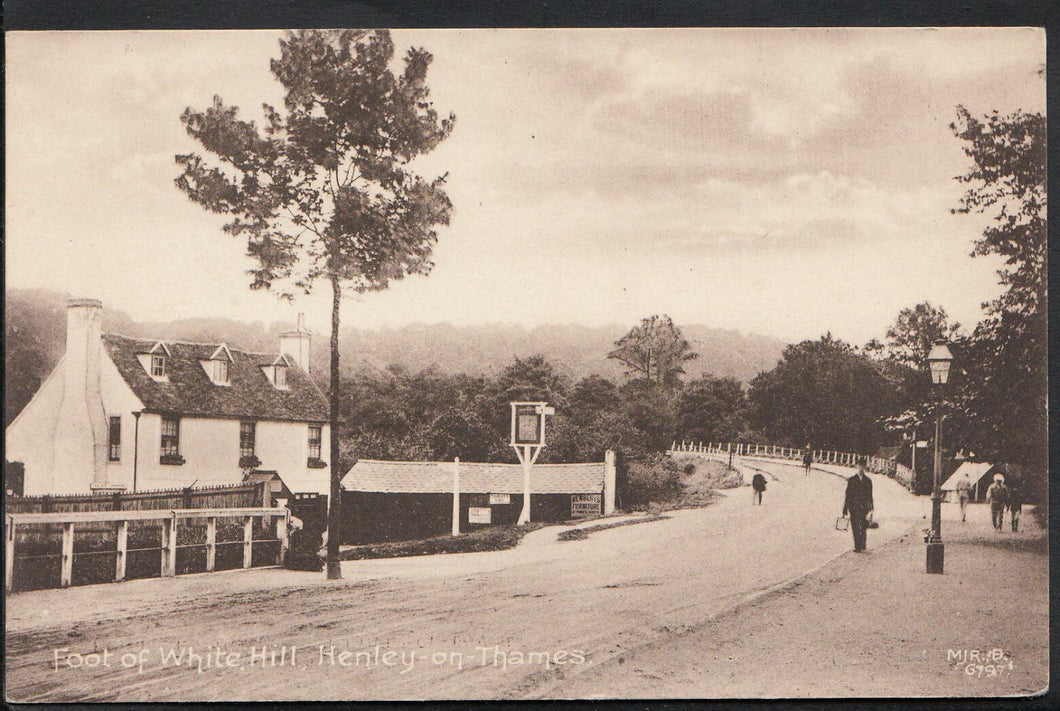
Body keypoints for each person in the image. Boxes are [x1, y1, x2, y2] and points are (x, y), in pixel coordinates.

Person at [842, 464, 874, 552]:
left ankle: (863, 543)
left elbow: (870, 495)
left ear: (864, 468)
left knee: (863, 526)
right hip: (853, 507)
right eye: (859, 467)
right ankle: (857, 546)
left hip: (864, 507)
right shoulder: (852, 480)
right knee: (855, 526)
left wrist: (871, 508)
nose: (861, 469)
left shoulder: (868, 481)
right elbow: (848, 494)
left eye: (862, 467)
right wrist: (845, 508)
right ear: (856, 468)